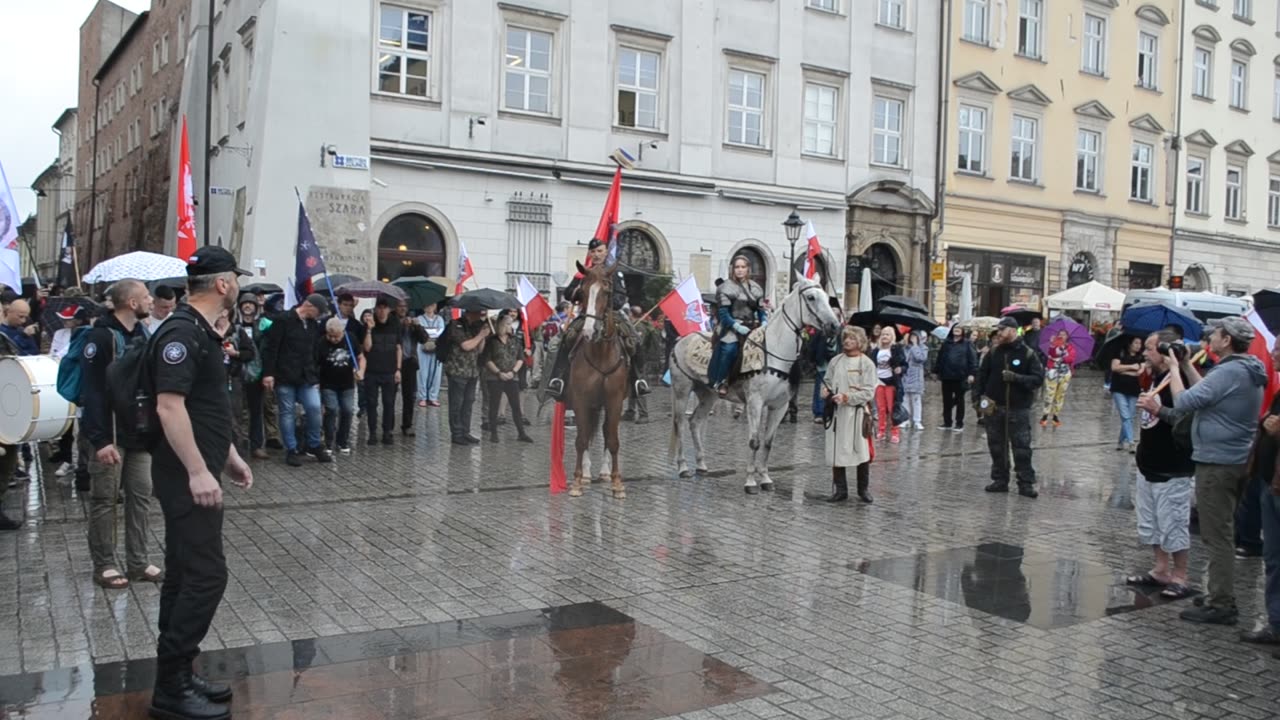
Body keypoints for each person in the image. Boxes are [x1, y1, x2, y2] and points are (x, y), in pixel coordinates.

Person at [147, 246, 253, 720]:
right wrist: (196, 470)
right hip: (184, 475)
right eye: (238, 278)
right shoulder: (181, 333)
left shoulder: (202, 333)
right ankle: (170, 688)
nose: (240, 286)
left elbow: (203, 404)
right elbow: (169, 406)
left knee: (185, 572)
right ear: (224, 284)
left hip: (200, 468)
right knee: (207, 576)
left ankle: (179, 674)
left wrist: (227, 455)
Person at [1154, 317, 1267, 625]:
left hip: (1218, 462)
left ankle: (1221, 603)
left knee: (1217, 535)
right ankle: (1219, 592)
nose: (1210, 337)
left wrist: (1175, 368)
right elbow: (1207, 391)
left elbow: (1185, 401)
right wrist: (1189, 366)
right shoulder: (1245, 368)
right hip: (1233, 458)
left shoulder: (1230, 371)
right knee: (1223, 530)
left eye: (1215, 334)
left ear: (1227, 340)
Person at [79, 280, 164, 590]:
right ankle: (104, 564)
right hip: (110, 433)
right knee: (105, 499)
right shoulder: (100, 337)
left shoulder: (142, 334)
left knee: (140, 496)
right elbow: (93, 391)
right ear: (130, 303)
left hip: (138, 432)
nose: (151, 300)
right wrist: (100, 440)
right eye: (145, 296)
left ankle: (138, 561)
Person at [1128, 331, 1196, 600]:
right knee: (1152, 521)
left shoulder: (1182, 381)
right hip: (1149, 463)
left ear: (1167, 352)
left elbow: (1187, 419)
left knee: (1174, 522)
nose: (1145, 353)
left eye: (1150, 349)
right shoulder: (1156, 376)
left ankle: (1180, 574)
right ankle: (1160, 569)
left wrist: (1157, 409)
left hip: (1173, 466)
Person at [545, 239, 646, 399]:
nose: (596, 255)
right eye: (593, 252)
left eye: (600, 251)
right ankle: (558, 380)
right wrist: (577, 292)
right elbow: (568, 293)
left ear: (606, 252)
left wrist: (607, 298)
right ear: (589, 254)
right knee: (566, 338)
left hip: (612, 315)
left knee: (634, 339)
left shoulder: (613, 273)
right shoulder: (583, 273)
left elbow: (621, 297)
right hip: (587, 315)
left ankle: (638, 380)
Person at [976, 317, 1045, 498]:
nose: (999, 333)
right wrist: (977, 399)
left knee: (1021, 448)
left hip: (1018, 408)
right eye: (998, 330)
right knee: (997, 447)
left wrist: (1016, 378)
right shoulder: (994, 352)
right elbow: (981, 377)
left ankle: (1025, 482)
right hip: (994, 407)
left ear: (1013, 331)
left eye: (1002, 330)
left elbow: (1038, 379)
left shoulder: (1028, 354)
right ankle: (1000, 479)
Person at [1240, 340, 1280, 648]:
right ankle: (1275, 623)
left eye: (1279, 349)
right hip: (1269, 483)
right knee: (1272, 558)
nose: (1273, 354)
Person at [262, 294, 331, 466]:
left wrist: (315, 374)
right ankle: (291, 449)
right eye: (319, 312)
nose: (319, 316)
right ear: (310, 307)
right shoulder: (283, 320)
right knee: (287, 412)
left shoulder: (313, 325)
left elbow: (314, 351)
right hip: (285, 374)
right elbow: (272, 348)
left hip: (306, 375)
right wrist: (268, 373)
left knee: (314, 407)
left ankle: (314, 444)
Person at [820, 326, 877, 504]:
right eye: (845, 338)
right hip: (838, 414)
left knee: (861, 452)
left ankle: (863, 489)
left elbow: (868, 392)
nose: (847, 342)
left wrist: (847, 397)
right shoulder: (835, 361)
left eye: (851, 339)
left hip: (857, 414)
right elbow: (828, 382)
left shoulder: (866, 363)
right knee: (837, 451)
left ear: (859, 342)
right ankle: (840, 490)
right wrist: (826, 391)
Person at [708, 254, 766, 397]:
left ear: (748, 269)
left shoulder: (756, 288)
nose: (740, 270)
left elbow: (760, 310)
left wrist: (764, 321)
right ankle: (722, 381)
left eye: (743, 267)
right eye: (737, 267)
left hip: (752, 326)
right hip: (730, 326)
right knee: (730, 350)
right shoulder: (725, 287)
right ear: (733, 269)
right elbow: (723, 314)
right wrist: (736, 326)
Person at [482, 315, 533, 443]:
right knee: (494, 404)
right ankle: (494, 433)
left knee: (515, 406)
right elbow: (487, 359)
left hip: (512, 377)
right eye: (509, 324)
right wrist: (499, 373)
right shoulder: (492, 341)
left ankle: (521, 433)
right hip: (494, 377)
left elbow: (520, 358)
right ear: (503, 325)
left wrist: (513, 371)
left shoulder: (515, 340)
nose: (511, 326)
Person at [319, 317, 365, 455]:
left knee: (347, 410)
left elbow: (361, 357)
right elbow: (316, 363)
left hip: (347, 383)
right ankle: (328, 441)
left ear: (342, 332)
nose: (333, 339)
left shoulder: (350, 339)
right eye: (330, 336)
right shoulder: (321, 343)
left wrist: (360, 371)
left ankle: (342, 440)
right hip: (328, 383)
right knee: (331, 410)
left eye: (337, 336)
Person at [445, 309, 490, 445]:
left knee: (469, 401)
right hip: (458, 370)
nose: (480, 315)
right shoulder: (456, 325)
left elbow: (479, 349)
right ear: (470, 311)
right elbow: (466, 345)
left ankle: (465, 431)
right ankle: (457, 433)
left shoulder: (476, 327)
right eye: (478, 312)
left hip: (472, 370)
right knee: (457, 403)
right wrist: (481, 335)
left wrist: (483, 335)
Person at [362, 297, 401, 445]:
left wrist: (398, 369)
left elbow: (398, 348)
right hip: (372, 370)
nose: (381, 311)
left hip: (389, 371)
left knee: (389, 403)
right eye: (379, 307)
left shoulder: (395, 324)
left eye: (385, 307)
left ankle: (387, 432)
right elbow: (367, 348)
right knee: (371, 403)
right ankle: (372, 432)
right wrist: (369, 330)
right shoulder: (369, 325)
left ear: (389, 309)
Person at [236, 295, 268, 460]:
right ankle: (238, 445)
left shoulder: (262, 325)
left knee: (256, 410)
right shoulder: (234, 325)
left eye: (251, 304)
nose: (248, 307)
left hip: (256, 373)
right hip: (237, 372)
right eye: (245, 304)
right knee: (237, 411)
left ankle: (257, 445)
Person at [935, 324, 978, 431]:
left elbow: (973, 359)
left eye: (959, 329)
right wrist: (936, 371)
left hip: (961, 376)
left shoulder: (968, 343)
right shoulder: (946, 343)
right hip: (946, 376)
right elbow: (940, 358)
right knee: (947, 400)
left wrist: (972, 373)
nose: (957, 330)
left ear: (963, 331)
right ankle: (947, 422)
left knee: (959, 401)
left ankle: (959, 423)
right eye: (955, 328)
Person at [396, 299, 426, 436]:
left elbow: (424, 339)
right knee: (390, 395)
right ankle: (388, 427)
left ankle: (407, 424)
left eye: (404, 306)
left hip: (409, 361)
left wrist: (417, 326)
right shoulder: (392, 321)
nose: (402, 309)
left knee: (409, 396)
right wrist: (401, 325)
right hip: (394, 362)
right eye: (400, 306)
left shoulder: (413, 321)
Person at [871, 326, 906, 443]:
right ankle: (881, 431)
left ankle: (895, 432)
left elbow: (904, 364)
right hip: (879, 382)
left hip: (891, 382)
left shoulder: (896, 349)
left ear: (892, 337)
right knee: (881, 409)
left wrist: (900, 369)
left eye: (887, 334)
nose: (885, 336)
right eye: (883, 334)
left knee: (892, 409)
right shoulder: (876, 350)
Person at [1110, 336, 1145, 452]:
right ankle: (1131, 442)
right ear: (1130, 343)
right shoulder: (1120, 353)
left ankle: (1120, 441)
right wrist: (1131, 367)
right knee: (1125, 415)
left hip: (1134, 390)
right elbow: (1114, 367)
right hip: (1118, 388)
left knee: (1129, 417)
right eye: (1136, 343)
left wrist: (1124, 371)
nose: (1138, 345)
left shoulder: (1142, 357)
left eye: (1140, 343)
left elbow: (1139, 373)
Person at [1039, 329, 1077, 427]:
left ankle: (1056, 415)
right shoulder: (1053, 345)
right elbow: (1051, 354)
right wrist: (1053, 344)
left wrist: (1063, 355)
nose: (1061, 336)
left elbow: (1071, 358)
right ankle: (1045, 415)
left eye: (1064, 334)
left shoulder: (1070, 347)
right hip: (1052, 372)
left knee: (1060, 395)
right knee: (1049, 393)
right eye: (1060, 334)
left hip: (1064, 374)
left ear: (1067, 336)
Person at [624, 306, 653, 424]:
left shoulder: (639, 326)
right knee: (631, 385)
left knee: (639, 385)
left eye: (629, 313)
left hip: (639, 360)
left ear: (631, 314)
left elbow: (637, 343)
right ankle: (630, 411)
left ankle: (643, 414)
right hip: (632, 359)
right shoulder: (632, 326)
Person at [415, 302, 446, 407]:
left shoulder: (440, 319)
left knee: (436, 373)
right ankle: (423, 397)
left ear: (435, 306)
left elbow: (441, 332)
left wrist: (428, 332)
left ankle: (433, 397)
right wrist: (431, 332)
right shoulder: (419, 319)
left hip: (436, 348)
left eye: (432, 305)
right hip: (422, 348)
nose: (429, 307)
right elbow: (420, 332)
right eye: (427, 305)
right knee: (422, 372)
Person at [809, 326, 838, 424]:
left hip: (835, 366)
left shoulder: (840, 334)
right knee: (820, 390)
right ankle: (819, 412)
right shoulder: (820, 333)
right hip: (822, 366)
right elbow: (813, 347)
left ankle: (832, 410)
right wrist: (814, 361)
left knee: (834, 389)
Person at [902, 331, 929, 431]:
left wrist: (915, 346)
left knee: (916, 400)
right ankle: (906, 419)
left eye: (914, 336)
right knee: (905, 399)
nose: (912, 338)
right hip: (906, 376)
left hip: (916, 376)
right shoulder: (905, 348)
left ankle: (917, 420)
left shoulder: (923, 348)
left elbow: (920, 358)